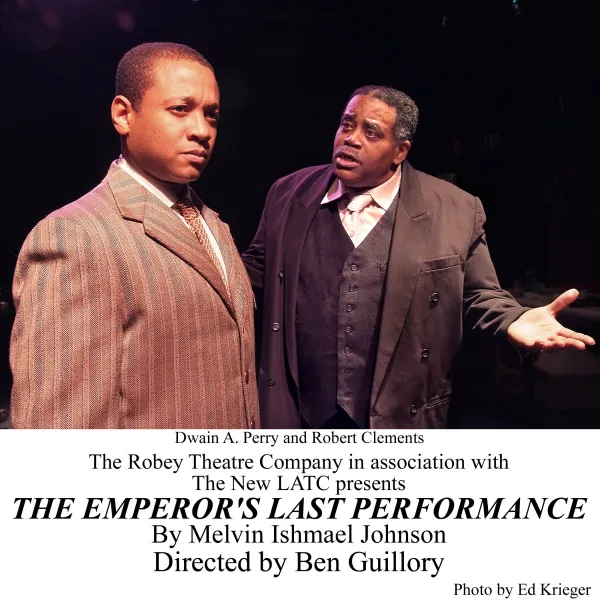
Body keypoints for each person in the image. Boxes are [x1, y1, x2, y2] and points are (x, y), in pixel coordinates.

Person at [243, 85, 594, 429]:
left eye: (371, 132)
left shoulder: (454, 208)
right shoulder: (288, 193)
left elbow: (478, 293)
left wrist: (513, 320)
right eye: (347, 125)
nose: (350, 139)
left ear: (400, 151)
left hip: (398, 414)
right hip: (304, 412)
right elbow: (258, 270)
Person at [10, 42, 259, 429]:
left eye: (211, 115)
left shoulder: (214, 226)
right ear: (124, 115)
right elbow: (57, 428)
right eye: (180, 109)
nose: (202, 131)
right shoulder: (74, 236)